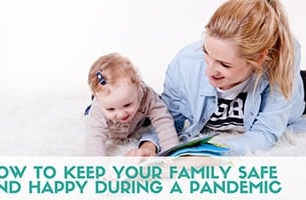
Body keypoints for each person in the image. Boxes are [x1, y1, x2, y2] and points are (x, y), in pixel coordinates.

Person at [144, 0, 306, 156]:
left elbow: (265, 133)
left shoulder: (282, 64)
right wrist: (149, 146)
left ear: (259, 58)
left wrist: (208, 153)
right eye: (206, 52)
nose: (209, 71)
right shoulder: (184, 65)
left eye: (224, 65)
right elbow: (167, 119)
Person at [85, 52, 179, 156]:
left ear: (138, 86)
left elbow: (163, 121)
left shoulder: (148, 96)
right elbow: (95, 137)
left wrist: (172, 152)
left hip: (137, 120)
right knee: (92, 118)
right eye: (111, 109)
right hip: (111, 126)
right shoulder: (98, 108)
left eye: (127, 105)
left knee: (162, 106)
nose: (121, 114)